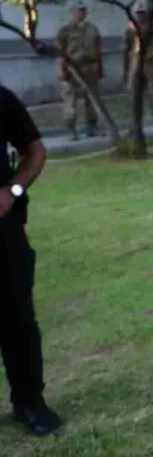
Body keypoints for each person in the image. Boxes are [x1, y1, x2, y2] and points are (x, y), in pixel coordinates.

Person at [0, 84, 61, 437]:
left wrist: (13, 191)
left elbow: (34, 152)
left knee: (17, 319)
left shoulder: (2, 99)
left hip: (2, 232)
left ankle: (29, 402)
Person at [55, 2, 103, 140]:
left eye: (83, 10)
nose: (81, 13)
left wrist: (99, 68)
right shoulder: (65, 30)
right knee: (70, 99)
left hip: (90, 66)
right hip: (72, 67)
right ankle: (71, 129)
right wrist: (62, 69)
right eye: (79, 10)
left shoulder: (93, 29)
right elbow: (60, 52)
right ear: (73, 12)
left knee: (92, 98)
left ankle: (92, 126)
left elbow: (98, 49)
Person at [121, 2, 153, 133]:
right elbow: (125, 49)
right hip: (136, 62)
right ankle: (135, 124)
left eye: (143, 13)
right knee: (134, 93)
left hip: (151, 61)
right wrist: (125, 68)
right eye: (139, 13)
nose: (141, 16)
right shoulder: (131, 29)